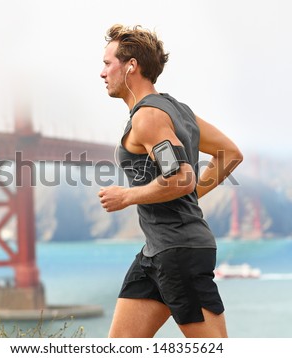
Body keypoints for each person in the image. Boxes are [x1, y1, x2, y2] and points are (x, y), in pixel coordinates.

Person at [98, 24, 243, 338]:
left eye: (108, 63)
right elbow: (229, 154)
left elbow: (180, 177)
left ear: (131, 66)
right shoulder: (180, 111)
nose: (102, 73)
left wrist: (127, 196)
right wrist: (189, 194)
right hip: (156, 252)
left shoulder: (147, 117)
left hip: (180, 252)